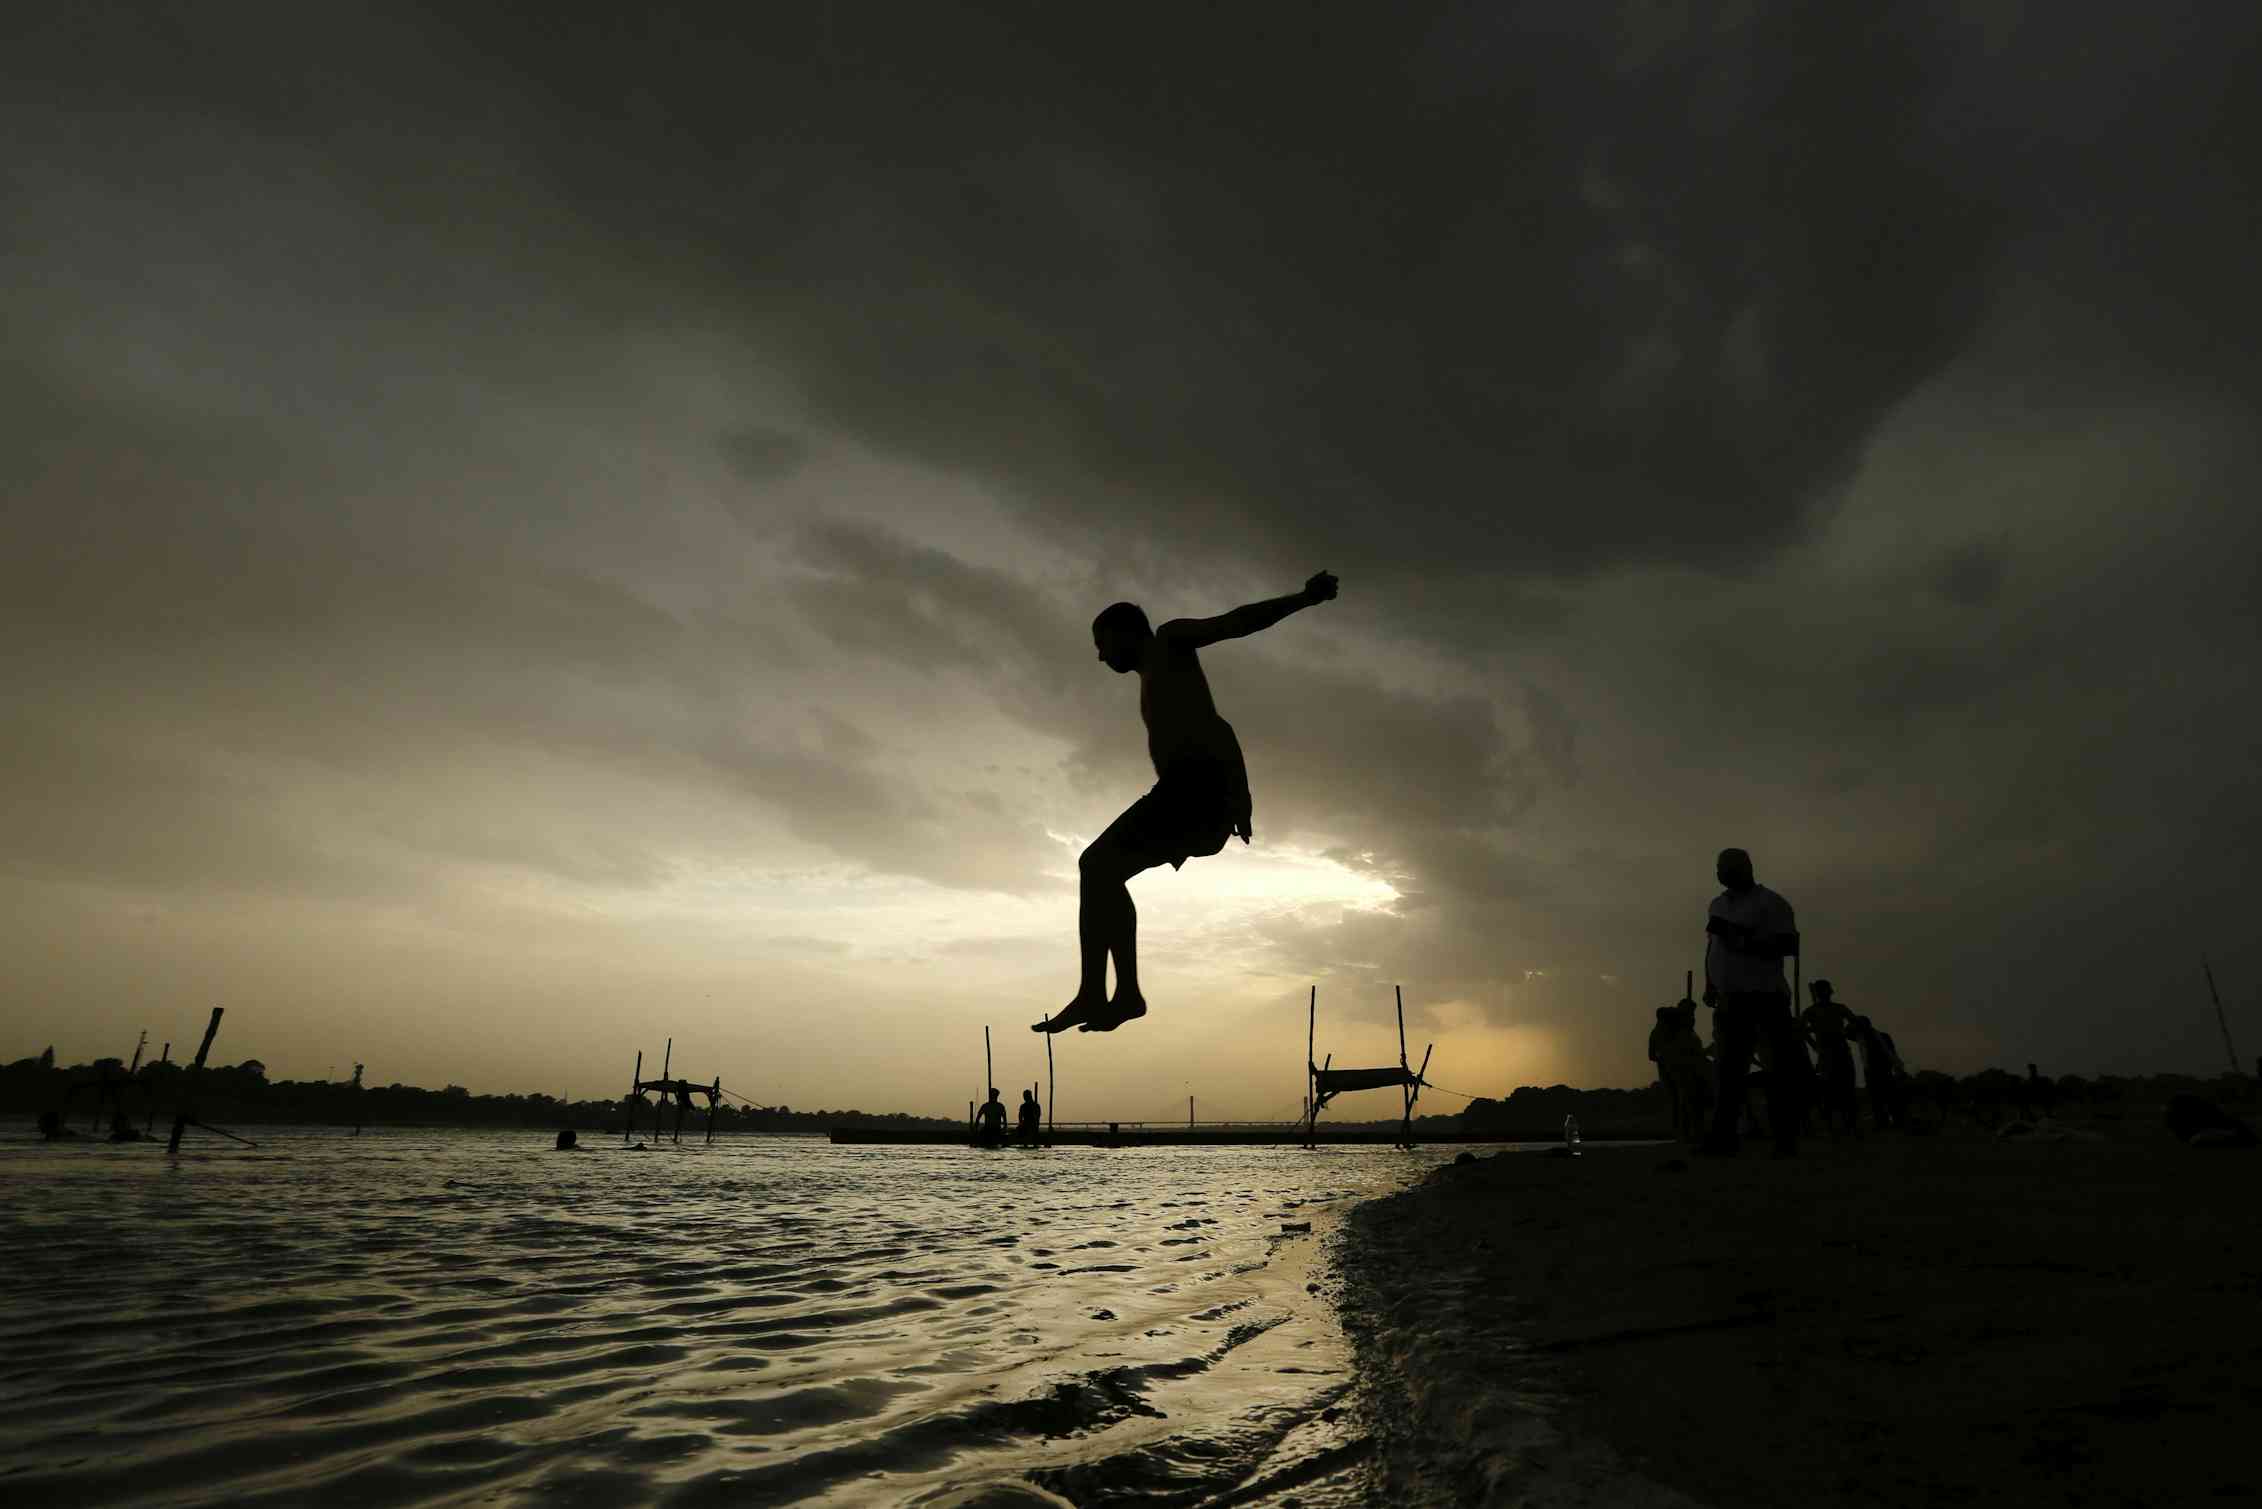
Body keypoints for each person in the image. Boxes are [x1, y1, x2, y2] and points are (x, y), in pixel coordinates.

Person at [1036, 571, 1340, 1035]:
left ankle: (1104, 994)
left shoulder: (1169, 643)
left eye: (1101, 643)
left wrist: (1304, 598)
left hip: (1194, 795)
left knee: (1097, 865)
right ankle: (1120, 995)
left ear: (1124, 632)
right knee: (1102, 870)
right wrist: (1241, 796)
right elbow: (1223, 728)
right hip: (1186, 797)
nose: (1099, 655)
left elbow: (1237, 622)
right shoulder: (1155, 676)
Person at [1700, 847, 1802, 1156]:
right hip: (1730, 998)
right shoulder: (1717, 904)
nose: (1721, 873)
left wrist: (1739, 937)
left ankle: (1784, 1140)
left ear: (1745, 868)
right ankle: (1723, 1139)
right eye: (1719, 868)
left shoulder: (1770, 903)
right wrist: (1710, 981)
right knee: (1727, 1072)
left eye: (1726, 867)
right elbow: (1713, 946)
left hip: (1765, 995)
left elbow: (1788, 945)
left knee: (1778, 1071)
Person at [1802, 980, 1860, 1138]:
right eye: (1821, 991)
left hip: (1841, 1050)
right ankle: (1832, 1126)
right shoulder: (1810, 1011)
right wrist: (1815, 1043)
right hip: (1826, 1053)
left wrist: (1844, 1032)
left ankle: (1851, 1125)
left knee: (1847, 1087)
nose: (1824, 993)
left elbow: (1855, 1023)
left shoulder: (1839, 1008)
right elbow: (1801, 1029)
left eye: (1826, 990)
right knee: (1828, 1090)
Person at [1650, 998, 1713, 1143]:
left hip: (1687, 1071)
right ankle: (1684, 1134)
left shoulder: (1687, 1031)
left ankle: (1692, 1133)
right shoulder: (1667, 1031)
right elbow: (1654, 1054)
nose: (1692, 1018)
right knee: (1682, 1102)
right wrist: (1667, 1058)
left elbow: (1693, 1052)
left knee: (1690, 1101)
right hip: (1674, 1072)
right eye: (1690, 1015)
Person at [1847, 1016, 1903, 1130]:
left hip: (1882, 1070)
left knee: (1888, 1097)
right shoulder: (1861, 1037)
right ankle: (1884, 1122)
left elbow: (1892, 1052)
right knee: (1878, 1099)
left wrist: (1897, 1066)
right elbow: (1846, 1032)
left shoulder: (1879, 1036)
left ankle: (1893, 1121)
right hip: (1873, 1071)